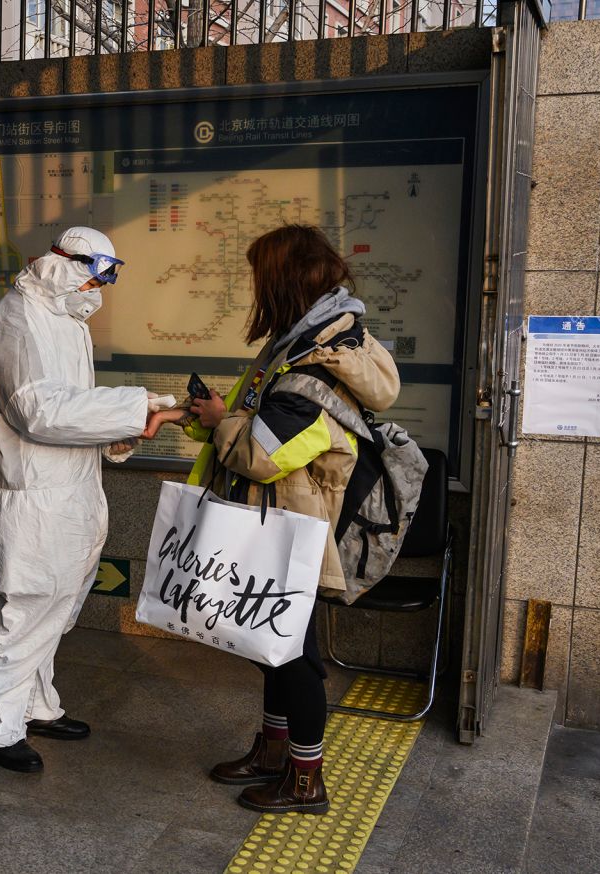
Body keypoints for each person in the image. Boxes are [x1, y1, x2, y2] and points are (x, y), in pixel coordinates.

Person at [144, 224, 401, 814]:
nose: (255, 288)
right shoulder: (303, 345)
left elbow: (262, 455)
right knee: (271, 643)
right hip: (278, 521)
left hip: (293, 530)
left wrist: (216, 421)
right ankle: (272, 750)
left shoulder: (314, 371)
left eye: (262, 276)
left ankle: (306, 779)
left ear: (285, 282)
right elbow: (255, 424)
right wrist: (202, 415)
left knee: (297, 656)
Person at [0, 226, 157, 773]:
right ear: (65, 264)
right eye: (95, 275)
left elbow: (76, 410)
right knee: (23, 614)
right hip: (33, 499)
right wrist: (134, 406)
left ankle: (36, 705)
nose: (98, 289)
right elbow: (39, 412)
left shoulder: (64, 320)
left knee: (58, 611)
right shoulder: (15, 320)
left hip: (75, 491)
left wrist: (127, 427)